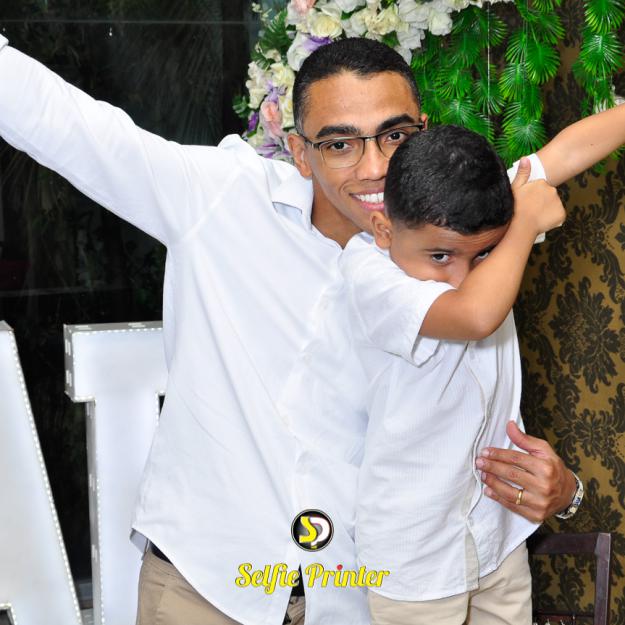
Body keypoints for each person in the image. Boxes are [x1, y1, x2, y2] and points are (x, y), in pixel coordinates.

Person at [0, 33, 612, 624]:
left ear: (423, 133)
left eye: (395, 135)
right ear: (298, 152)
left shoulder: (468, 223)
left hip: (361, 599)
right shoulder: (218, 199)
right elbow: (67, 125)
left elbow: (459, 422)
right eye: (340, 143)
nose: (375, 167)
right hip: (208, 591)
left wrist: (565, 492)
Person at [339, 124, 566, 624]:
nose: (462, 275)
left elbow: (568, 152)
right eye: (440, 256)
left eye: (483, 254)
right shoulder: (370, 273)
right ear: (384, 230)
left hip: (497, 537)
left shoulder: (477, 207)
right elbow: (473, 315)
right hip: (414, 561)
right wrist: (524, 225)